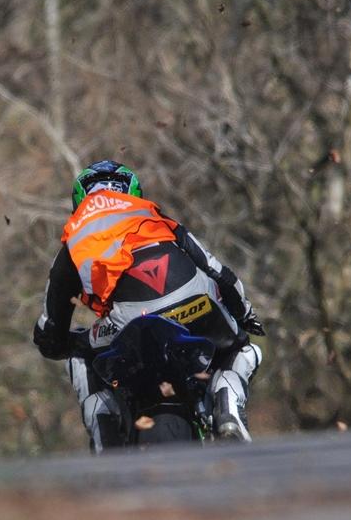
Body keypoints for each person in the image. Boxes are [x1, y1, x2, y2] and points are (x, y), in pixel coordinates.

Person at [33, 160, 265, 453]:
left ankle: (105, 438)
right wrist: (245, 314)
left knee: (78, 357)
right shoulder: (154, 216)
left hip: (128, 320)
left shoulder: (74, 240)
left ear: (80, 199)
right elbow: (219, 271)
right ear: (133, 192)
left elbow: (50, 326)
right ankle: (228, 406)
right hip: (196, 302)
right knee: (243, 349)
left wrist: (57, 344)